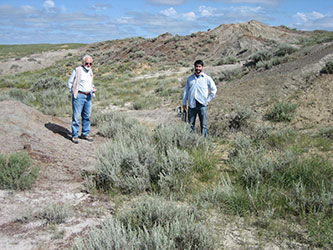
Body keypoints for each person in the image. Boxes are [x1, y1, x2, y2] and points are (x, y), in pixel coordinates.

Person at [182, 59, 217, 137]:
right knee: (190, 125)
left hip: (202, 105)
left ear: (202, 67)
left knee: (203, 125)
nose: (198, 68)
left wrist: (208, 100)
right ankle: (191, 140)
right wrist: (184, 103)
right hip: (192, 104)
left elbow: (214, 90)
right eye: (196, 66)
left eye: (199, 66)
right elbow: (186, 92)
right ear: (194, 67)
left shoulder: (207, 78)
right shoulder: (190, 78)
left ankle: (204, 141)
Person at [67, 55, 96, 144]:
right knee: (76, 116)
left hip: (88, 96)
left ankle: (85, 133)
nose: (88, 65)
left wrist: (92, 88)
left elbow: (90, 83)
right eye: (87, 63)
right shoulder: (77, 70)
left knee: (87, 116)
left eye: (90, 63)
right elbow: (70, 82)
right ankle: (75, 135)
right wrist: (73, 91)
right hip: (79, 95)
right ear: (83, 63)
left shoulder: (90, 71)